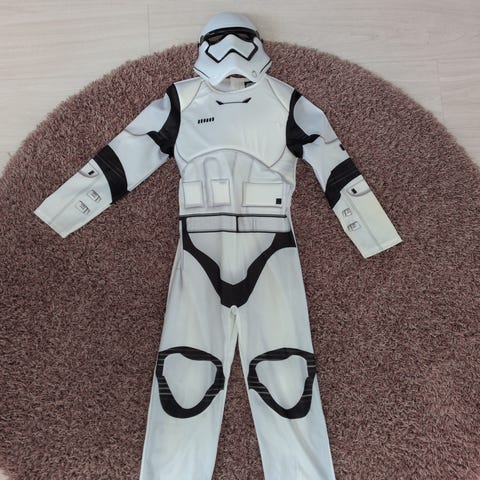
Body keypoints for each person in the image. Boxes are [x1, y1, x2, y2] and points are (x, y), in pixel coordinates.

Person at [34, 12, 402, 479]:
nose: (230, 53)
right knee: (185, 384)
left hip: (267, 249)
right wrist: (65, 210)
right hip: (204, 251)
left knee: (286, 381)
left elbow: (332, 158)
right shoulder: (182, 101)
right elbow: (127, 152)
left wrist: (372, 232)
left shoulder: (285, 100)